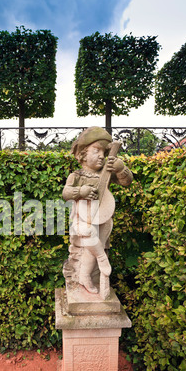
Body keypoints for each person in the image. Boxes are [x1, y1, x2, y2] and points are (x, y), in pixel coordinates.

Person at [62, 126, 133, 298]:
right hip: (82, 218)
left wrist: (120, 167)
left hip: (103, 217)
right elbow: (66, 193)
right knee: (88, 235)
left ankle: (86, 276)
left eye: (104, 151)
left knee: (93, 246)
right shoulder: (76, 175)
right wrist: (81, 192)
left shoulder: (106, 173)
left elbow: (127, 181)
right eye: (96, 150)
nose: (101, 155)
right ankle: (102, 260)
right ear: (83, 154)